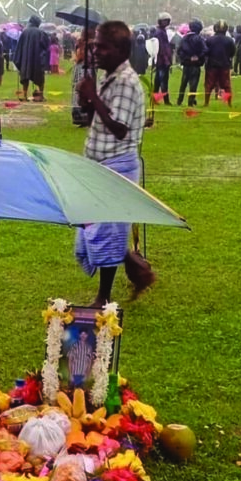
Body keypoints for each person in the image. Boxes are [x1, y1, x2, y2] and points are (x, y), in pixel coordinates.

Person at [75, 20, 154, 306]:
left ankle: (103, 296)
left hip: (116, 165)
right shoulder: (109, 76)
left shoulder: (126, 83)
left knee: (106, 230)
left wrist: (93, 96)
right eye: (95, 46)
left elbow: (119, 128)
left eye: (103, 48)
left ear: (121, 50)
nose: (95, 52)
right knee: (94, 225)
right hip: (99, 163)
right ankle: (136, 267)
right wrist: (87, 99)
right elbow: (95, 117)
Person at [13, 15, 48, 102]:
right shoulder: (41, 33)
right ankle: (41, 95)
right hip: (37, 59)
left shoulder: (24, 32)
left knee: (25, 76)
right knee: (40, 77)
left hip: (26, 59)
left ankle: (24, 95)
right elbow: (45, 46)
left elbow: (19, 47)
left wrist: (19, 59)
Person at [204, 20, 235, 108]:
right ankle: (229, 103)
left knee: (209, 85)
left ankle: (206, 103)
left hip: (212, 65)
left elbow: (206, 52)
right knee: (226, 85)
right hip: (224, 65)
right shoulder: (229, 40)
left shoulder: (209, 40)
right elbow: (232, 52)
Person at [177, 18, 206, 107]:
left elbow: (179, 51)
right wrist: (198, 57)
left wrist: (187, 58)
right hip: (196, 65)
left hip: (186, 64)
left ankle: (179, 100)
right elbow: (205, 50)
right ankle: (191, 101)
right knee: (193, 84)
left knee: (183, 83)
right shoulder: (200, 39)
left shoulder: (184, 38)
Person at [154, 12, 173, 105]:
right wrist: (166, 60)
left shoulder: (162, 31)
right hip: (162, 60)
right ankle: (166, 100)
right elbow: (161, 48)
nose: (166, 22)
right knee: (163, 81)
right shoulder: (159, 32)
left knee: (158, 81)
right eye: (164, 21)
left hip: (161, 60)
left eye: (167, 21)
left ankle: (155, 99)